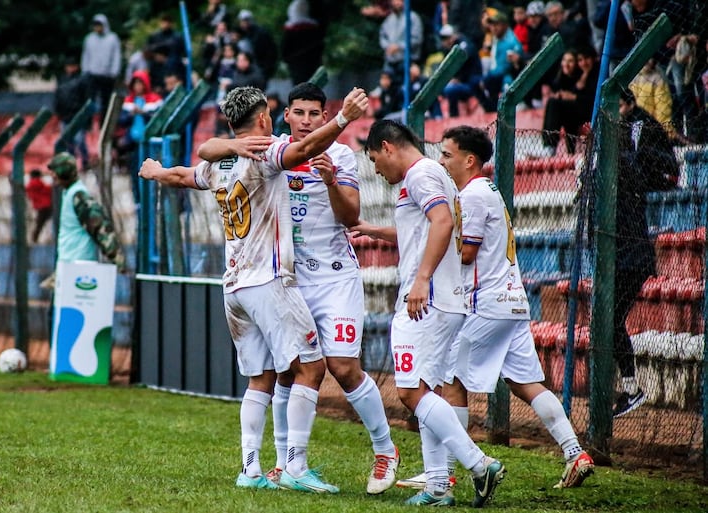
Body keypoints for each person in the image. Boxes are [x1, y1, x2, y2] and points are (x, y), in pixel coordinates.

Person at [139, 85, 370, 493]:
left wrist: (155, 172)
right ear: (264, 119)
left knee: (260, 378)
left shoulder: (219, 163)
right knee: (311, 368)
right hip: (268, 279)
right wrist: (343, 118)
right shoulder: (265, 153)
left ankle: (250, 468)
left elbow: (183, 173)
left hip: (233, 285)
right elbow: (301, 151)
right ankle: (296, 468)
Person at [197, 82, 400, 495]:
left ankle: (385, 449)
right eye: (299, 113)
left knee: (342, 368)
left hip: (335, 276)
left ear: (324, 117)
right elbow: (210, 151)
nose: (306, 120)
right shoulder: (269, 149)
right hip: (288, 278)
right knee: (292, 370)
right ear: (284, 116)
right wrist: (230, 147)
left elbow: (350, 216)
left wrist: (328, 183)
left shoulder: (339, 154)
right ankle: (286, 463)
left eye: (314, 114)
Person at [351, 119, 506, 508]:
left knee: (409, 391)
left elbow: (442, 221)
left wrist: (421, 281)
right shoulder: (432, 175)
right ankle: (438, 484)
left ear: (387, 147)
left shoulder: (419, 174)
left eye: (373, 158)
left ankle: (478, 463)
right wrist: (374, 230)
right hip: (446, 299)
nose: (375, 169)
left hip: (427, 300)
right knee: (428, 389)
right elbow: (422, 230)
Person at [435, 125, 594, 489]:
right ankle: (575, 453)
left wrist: (430, 254)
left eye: (447, 154)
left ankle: (445, 474)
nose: (441, 160)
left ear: (468, 160)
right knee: (526, 383)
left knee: (452, 379)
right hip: (511, 301)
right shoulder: (487, 189)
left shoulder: (473, 194)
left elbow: (468, 252)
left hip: (486, 303)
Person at [613, 88, 679, 417]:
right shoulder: (616, 169)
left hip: (630, 257)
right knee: (609, 321)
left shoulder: (625, 168)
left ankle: (631, 387)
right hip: (621, 256)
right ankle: (627, 386)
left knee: (610, 321)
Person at [46, 153, 125, 269]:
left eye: (55, 171)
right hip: (68, 263)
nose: (52, 175)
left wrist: (116, 257)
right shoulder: (69, 193)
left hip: (80, 265)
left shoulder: (79, 196)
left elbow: (99, 226)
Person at [81, 14, 122, 123]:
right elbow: (86, 56)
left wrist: (114, 72)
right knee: (90, 100)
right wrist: (85, 71)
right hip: (92, 74)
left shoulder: (112, 38)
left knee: (106, 101)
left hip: (107, 75)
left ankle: (103, 123)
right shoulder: (89, 39)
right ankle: (87, 123)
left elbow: (116, 56)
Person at [53, 57, 90, 171]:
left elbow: (86, 99)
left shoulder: (81, 80)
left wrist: (87, 118)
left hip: (78, 116)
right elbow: (58, 97)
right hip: (65, 116)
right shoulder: (62, 80)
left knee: (80, 141)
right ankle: (71, 165)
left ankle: (85, 162)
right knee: (67, 143)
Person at [281, 0, 326, 85]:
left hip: (296, 64)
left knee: (300, 87)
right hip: (312, 62)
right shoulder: (315, 29)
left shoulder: (291, 30)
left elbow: (285, 48)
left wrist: (286, 59)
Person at [379, 0, 424, 78]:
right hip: (391, 62)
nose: (396, 3)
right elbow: (382, 36)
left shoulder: (413, 17)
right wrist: (387, 47)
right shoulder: (388, 20)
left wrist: (399, 47)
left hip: (408, 61)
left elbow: (417, 39)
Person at [146, 14, 187, 94]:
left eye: (167, 22)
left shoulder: (177, 37)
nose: (165, 24)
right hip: (157, 70)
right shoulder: (154, 36)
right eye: (164, 22)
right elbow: (147, 51)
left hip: (173, 68)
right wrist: (155, 56)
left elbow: (182, 52)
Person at [236, 9, 279, 82]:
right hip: (258, 66)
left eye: (244, 21)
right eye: (242, 21)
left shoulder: (260, 33)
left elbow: (268, 52)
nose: (242, 24)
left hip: (262, 67)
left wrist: (266, 68)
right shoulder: (248, 33)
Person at [25, 168, 53, 244]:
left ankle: (34, 239)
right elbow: (48, 190)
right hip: (46, 205)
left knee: (40, 223)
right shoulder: (37, 182)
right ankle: (35, 238)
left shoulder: (31, 184)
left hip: (41, 206)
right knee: (42, 223)